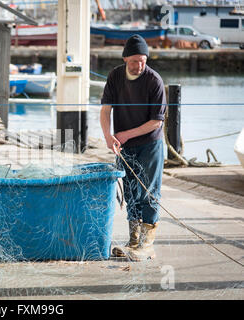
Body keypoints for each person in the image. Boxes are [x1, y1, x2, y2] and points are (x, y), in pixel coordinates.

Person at [99, 34, 166, 261]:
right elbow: (106, 110)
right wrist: (108, 136)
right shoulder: (115, 76)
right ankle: (134, 240)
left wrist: (126, 134)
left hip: (150, 143)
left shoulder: (154, 80)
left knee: (149, 192)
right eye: (134, 61)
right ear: (125, 59)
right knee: (130, 191)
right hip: (125, 146)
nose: (139, 65)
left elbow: (157, 121)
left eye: (143, 61)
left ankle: (148, 245)